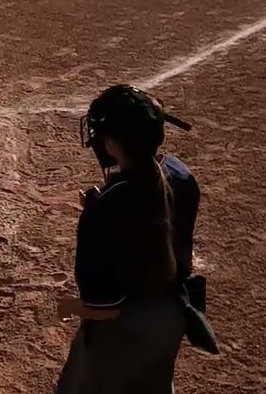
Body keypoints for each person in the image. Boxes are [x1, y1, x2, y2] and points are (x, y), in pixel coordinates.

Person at [54, 84, 215, 394]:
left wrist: (68, 307)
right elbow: (150, 217)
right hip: (170, 321)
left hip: (124, 336)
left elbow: (104, 308)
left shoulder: (104, 210)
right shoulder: (181, 177)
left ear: (113, 145)